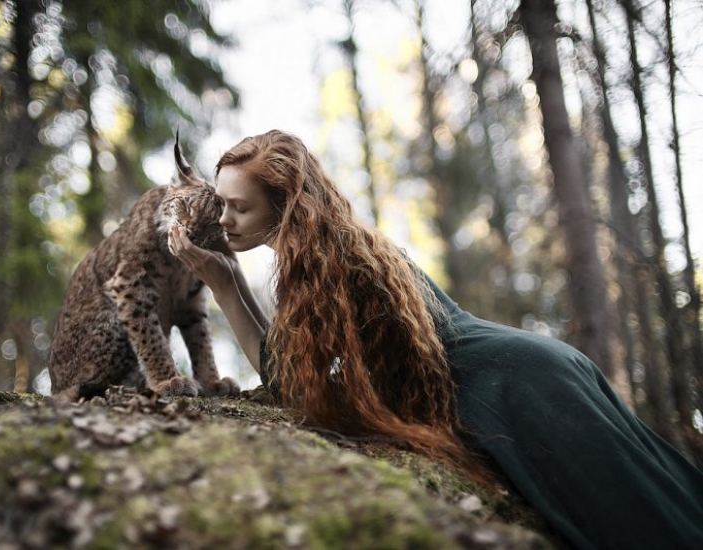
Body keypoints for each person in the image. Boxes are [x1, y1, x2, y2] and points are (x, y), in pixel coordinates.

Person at [169, 129, 703, 549]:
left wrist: (222, 284)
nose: (225, 219)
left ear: (285, 207)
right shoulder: (328, 256)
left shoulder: (331, 266)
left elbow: (288, 384)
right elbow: (286, 366)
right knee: (650, 494)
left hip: (518, 386)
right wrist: (229, 279)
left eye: (240, 207)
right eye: (222, 204)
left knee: (637, 517)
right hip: (531, 370)